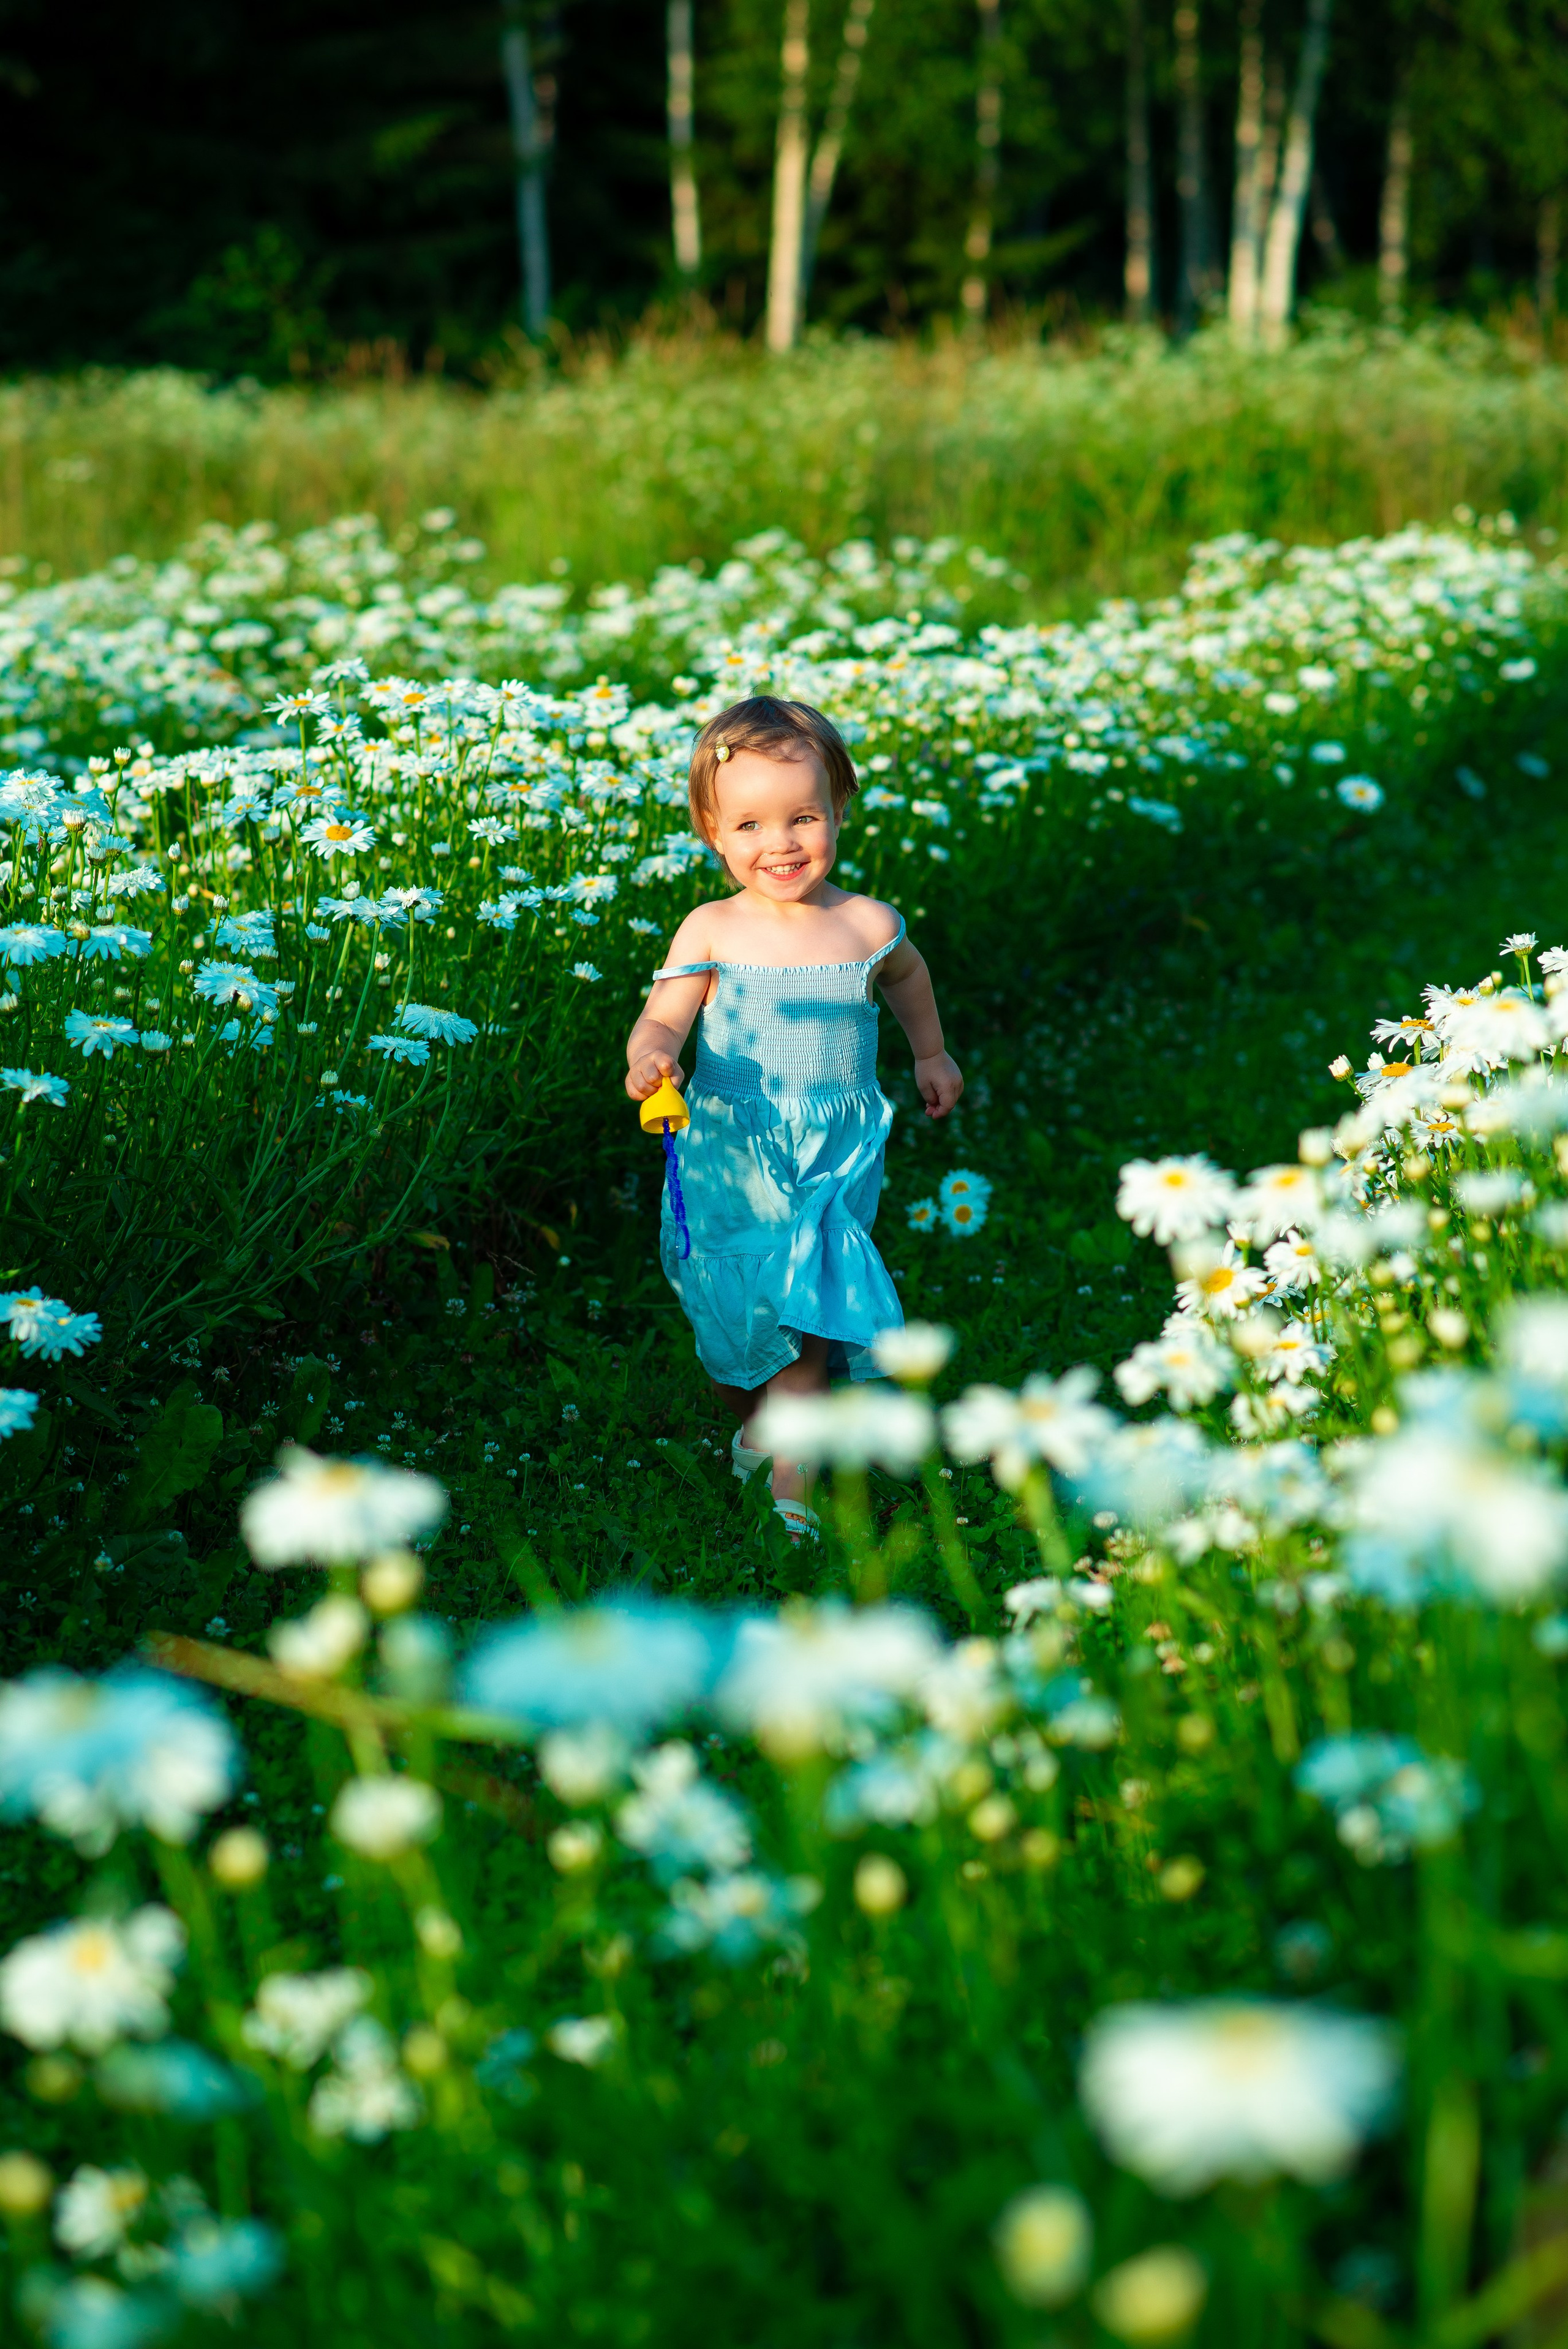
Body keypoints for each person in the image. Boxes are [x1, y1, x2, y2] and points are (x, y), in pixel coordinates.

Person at [624, 694, 963, 1538]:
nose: (779, 845)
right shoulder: (713, 927)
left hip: (833, 1150)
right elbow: (666, 1014)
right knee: (732, 1308)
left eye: (803, 817)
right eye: (749, 826)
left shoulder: (865, 924)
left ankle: (792, 1487)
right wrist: (650, 1055)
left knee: (807, 1307)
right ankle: (758, 1420)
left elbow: (909, 980)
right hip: (731, 1148)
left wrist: (930, 1053)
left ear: (840, 811)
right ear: (712, 830)